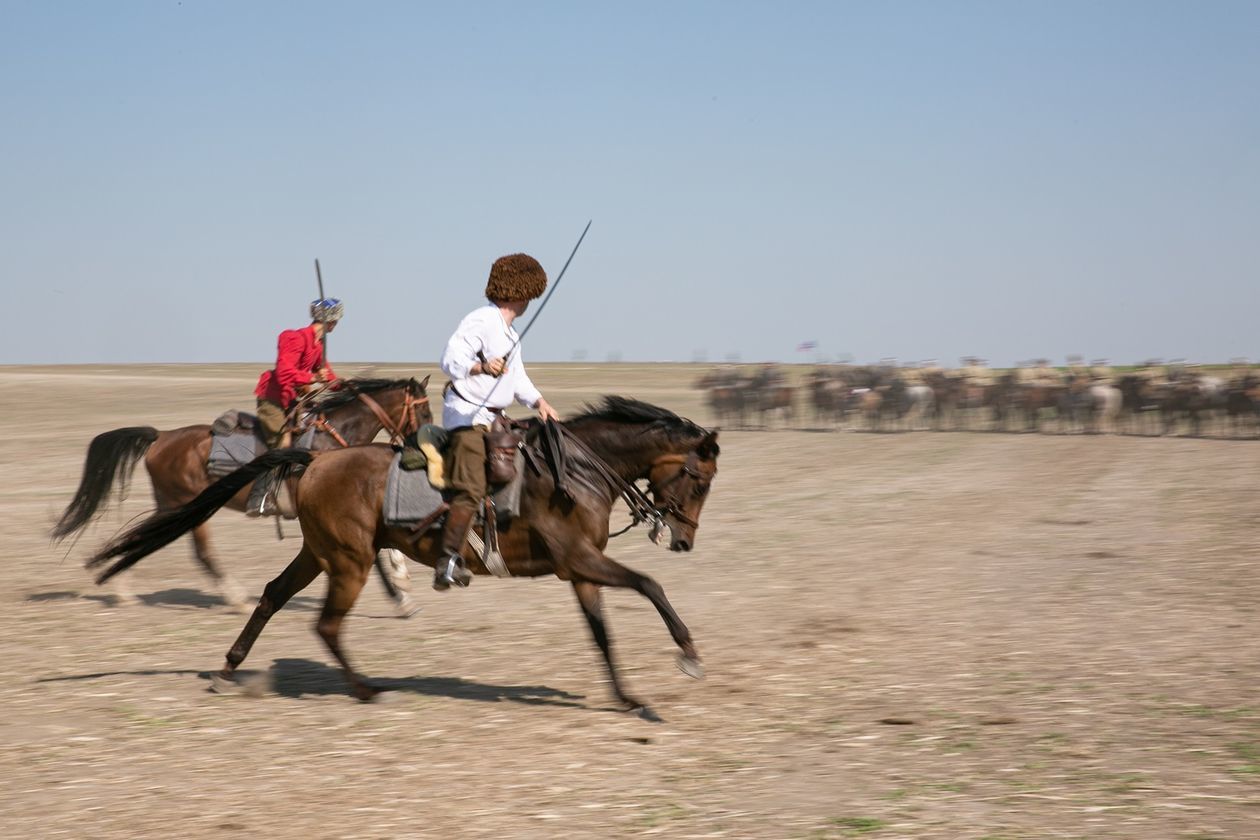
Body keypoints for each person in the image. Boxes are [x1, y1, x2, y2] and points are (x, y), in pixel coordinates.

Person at [435, 254, 559, 590]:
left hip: (497, 420)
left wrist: (540, 401)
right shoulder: (483, 320)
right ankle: (448, 559)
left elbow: (517, 380)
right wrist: (480, 367)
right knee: (472, 484)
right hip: (467, 418)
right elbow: (450, 358)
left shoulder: (511, 333)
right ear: (523, 291)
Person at [247, 298, 342, 516]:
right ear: (331, 321)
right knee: (283, 441)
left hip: (293, 401)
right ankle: (258, 497)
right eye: (336, 319)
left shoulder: (319, 346)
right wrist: (312, 377)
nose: (337, 324)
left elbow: (328, 377)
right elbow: (283, 374)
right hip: (273, 399)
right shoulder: (294, 338)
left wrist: (348, 387)